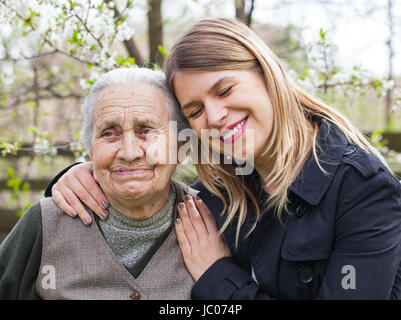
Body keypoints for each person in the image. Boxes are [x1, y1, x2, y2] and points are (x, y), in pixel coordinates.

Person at [45, 18, 401, 299]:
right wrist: (76, 177)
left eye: (225, 89)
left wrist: (219, 275)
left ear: (266, 73)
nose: (214, 116)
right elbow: (145, 194)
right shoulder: (219, 193)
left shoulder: (363, 190)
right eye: (195, 109)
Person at [0, 68, 197, 299]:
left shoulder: (216, 221)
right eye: (109, 133)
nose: (129, 152)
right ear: (91, 150)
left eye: (147, 131)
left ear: (181, 146)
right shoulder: (44, 223)